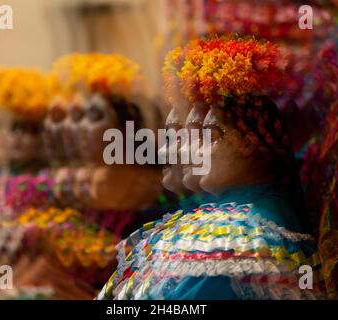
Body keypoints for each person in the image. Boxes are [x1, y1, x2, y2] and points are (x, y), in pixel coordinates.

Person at [97, 36, 323, 300]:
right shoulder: (233, 220)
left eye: (209, 135)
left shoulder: (240, 236)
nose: (185, 149)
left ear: (255, 139)